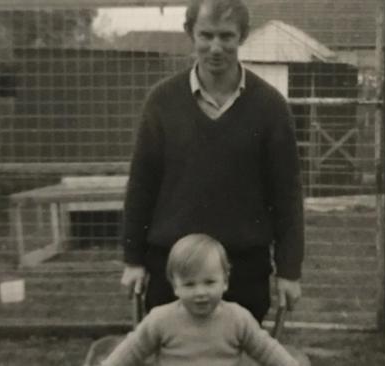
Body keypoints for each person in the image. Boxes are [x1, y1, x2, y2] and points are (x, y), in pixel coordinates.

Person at [121, 0, 304, 323]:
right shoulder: (161, 102)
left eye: (226, 36)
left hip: (243, 271)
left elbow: (286, 196)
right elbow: (141, 187)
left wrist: (289, 270)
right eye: (206, 35)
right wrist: (133, 260)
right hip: (172, 270)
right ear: (189, 33)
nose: (215, 47)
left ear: (243, 36)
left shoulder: (270, 107)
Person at [101, 234, 299, 366]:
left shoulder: (238, 318)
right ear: (175, 286)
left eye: (209, 282)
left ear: (225, 282)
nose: (200, 292)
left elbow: (267, 350)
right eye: (189, 285)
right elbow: (131, 350)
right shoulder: (160, 319)